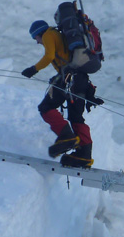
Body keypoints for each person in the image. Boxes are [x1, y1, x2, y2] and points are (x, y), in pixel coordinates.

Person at [21, 18, 96, 168]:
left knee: (45, 107)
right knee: (76, 117)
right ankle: (84, 156)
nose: (37, 42)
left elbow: (49, 56)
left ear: (39, 33)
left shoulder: (48, 34)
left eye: (35, 38)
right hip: (80, 79)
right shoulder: (57, 34)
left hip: (68, 77)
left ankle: (66, 137)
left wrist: (33, 69)